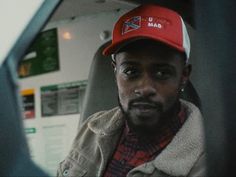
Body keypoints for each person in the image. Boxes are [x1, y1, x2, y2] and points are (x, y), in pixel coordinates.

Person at [57, 4, 205, 177]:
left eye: (162, 73)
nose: (144, 88)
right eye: (131, 71)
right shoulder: (90, 132)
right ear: (115, 72)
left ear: (183, 76)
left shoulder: (211, 158)